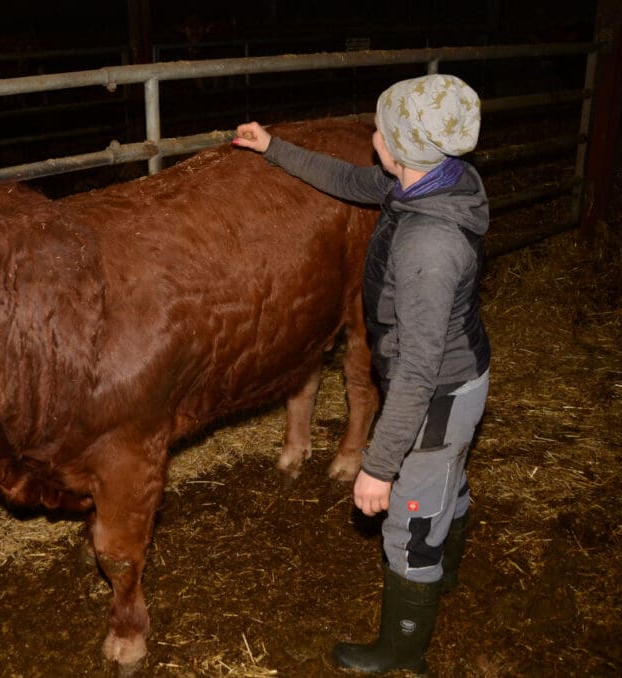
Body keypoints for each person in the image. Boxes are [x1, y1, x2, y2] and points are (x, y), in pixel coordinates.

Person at [233, 73, 490, 674]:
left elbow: (418, 375)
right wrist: (275, 148)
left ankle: (402, 648)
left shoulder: (428, 244)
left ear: (399, 147)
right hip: (457, 377)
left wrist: (378, 466)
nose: (371, 133)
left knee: (410, 518)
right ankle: (444, 571)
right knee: (446, 480)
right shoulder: (437, 181)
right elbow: (351, 180)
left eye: (381, 127)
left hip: (436, 393)